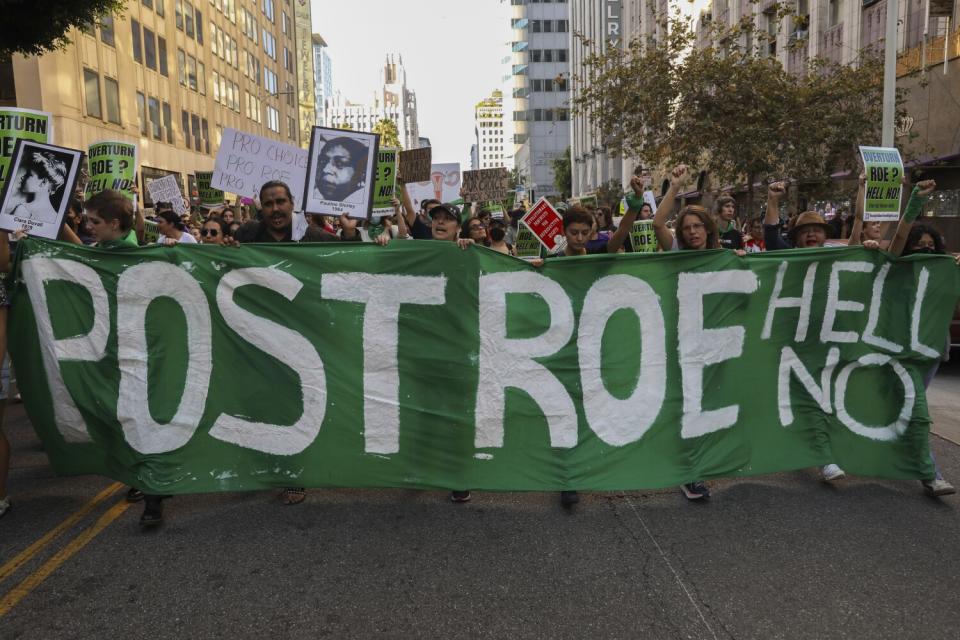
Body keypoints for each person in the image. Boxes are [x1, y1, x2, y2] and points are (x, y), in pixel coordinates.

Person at [234, 180, 358, 505]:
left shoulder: (312, 237)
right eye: (269, 203)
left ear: (292, 203)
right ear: (260, 207)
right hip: (257, 336)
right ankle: (264, 465)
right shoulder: (246, 235)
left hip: (302, 335)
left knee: (295, 403)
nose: (275, 209)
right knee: (260, 402)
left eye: (280, 201)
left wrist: (349, 234)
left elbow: (346, 259)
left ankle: (295, 472)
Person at [652, 165, 749, 499]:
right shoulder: (676, 253)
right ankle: (691, 471)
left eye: (698, 227)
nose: (692, 232)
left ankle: (704, 461)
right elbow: (655, 224)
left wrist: (739, 262)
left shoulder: (724, 257)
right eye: (687, 227)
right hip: (684, 341)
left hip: (718, 342)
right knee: (690, 403)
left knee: (710, 402)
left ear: (708, 230)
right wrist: (675, 187)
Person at [884, 180, 957, 496]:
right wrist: (913, 203)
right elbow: (898, 241)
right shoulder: (899, 270)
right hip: (901, 348)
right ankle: (931, 474)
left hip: (931, 350)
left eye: (931, 245)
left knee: (908, 407)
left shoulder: (944, 272)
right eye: (919, 245)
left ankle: (899, 454)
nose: (926, 249)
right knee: (916, 410)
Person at [5, 151, 68, 224]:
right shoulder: (57, 218)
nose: (23, 177)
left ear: (43, 182)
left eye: (29, 174)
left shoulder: (22, 210)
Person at [313, 136, 369, 203]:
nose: (325, 169)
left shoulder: (364, 203)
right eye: (323, 161)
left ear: (361, 173)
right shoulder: (312, 198)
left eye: (340, 163)